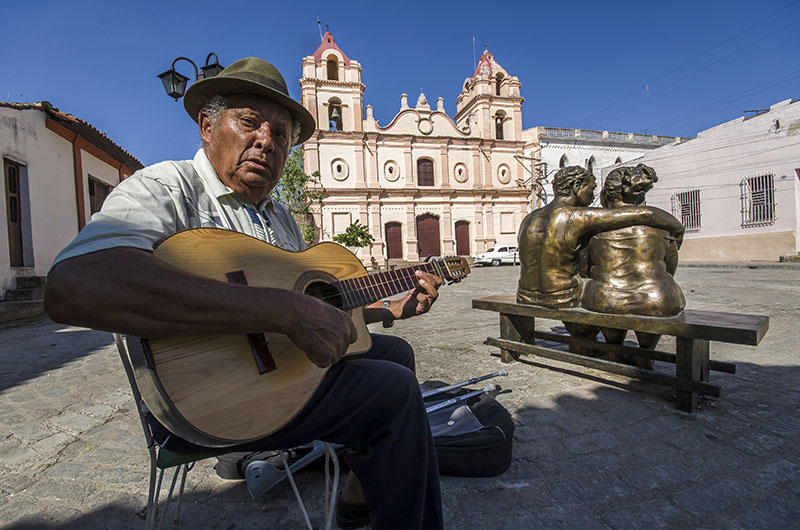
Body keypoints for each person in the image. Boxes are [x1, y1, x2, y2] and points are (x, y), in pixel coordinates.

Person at [44, 57, 443, 530]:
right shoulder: (165, 187)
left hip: (279, 378)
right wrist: (281, 310)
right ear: (207, 126)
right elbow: (76, 284)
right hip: (208, 401)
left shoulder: (281, 219)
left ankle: (357, 500)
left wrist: (389, 310)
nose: (266, 142)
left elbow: (312, 310)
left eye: (282, 134)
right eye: (250, 122)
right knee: (392, 393)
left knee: (393, 353)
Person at [517, 165, 685, 309]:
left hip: (525, 295)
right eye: (591, 189)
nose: (592, 197)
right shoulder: (575, 216)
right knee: (598, 295)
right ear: (577, 186)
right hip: (561, 297)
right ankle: (588, 344)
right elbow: (645, 214)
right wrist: (677, 228)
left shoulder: (529, 218)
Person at [581, 164, 685, 366]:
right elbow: (670, 268)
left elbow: (584, 268)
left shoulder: (592, 231)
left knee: (605, 297)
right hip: (657, 298)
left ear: (607, 194)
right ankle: (646, 354)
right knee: (654, 299)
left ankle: (614, 352)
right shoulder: (662, 229)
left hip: (606, 297)